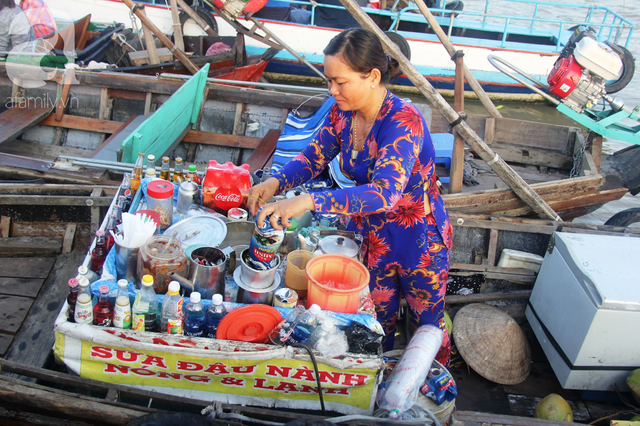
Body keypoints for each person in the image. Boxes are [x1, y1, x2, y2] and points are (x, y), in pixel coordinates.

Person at [247, 28, 453, 367]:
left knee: (427, 332)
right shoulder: (343, 113)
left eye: (340, 82)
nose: (332, 90)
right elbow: (314, 156)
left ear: (372, 77)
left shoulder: (402, 122)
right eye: (329, 81)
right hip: (372, 238)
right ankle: (377, 388)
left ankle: (432, 398)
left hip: (419, 241)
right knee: (374, 325)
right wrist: (275, 181)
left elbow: (385, 194)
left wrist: (310, 201)